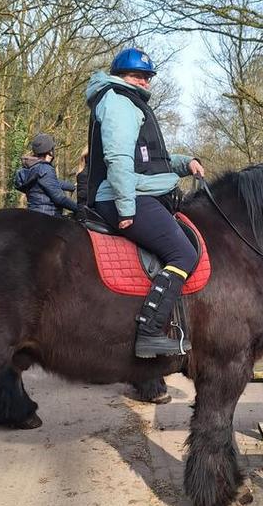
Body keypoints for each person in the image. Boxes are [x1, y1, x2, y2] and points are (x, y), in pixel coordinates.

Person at [85, 47, 204, 358]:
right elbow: (118, 159)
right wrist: (126, 208)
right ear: (120, 76)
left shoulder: (129, 102)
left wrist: (185, 163)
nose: (144, 82)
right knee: (183, 253)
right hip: (125, 196)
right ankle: (150, 331)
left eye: (147, 77)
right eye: (137, 76)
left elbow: (150, 160)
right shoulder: (119, 102)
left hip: (137, 191)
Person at [14, 133, 77, 216]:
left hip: (33, 213)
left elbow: (52, 182)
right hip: (48, 214)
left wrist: (72, 186)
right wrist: (78, 209)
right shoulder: (45, 169)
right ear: (50, 151)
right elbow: (59, 198)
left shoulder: (30, 169)